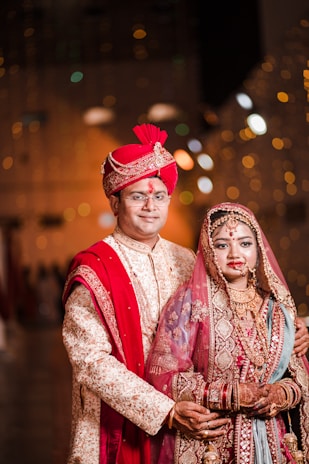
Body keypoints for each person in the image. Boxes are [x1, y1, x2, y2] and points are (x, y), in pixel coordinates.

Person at [62, 124, 229, 464]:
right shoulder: (95, 268)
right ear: (115, 201)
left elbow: (226, 319)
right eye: (137, 196)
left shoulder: (187, 260)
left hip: (189, 417)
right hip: (117, 424)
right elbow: (90, 362)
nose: (150, 206)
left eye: (159, 196)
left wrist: (290, 329)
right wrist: (165, 411)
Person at [146, 202, 309, 464]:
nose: (236, 253)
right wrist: (231, 394)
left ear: (259, 249)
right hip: (210, 444)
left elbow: (299, 379)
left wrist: (282, 394)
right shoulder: (190, 303)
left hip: (272, 443)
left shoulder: (276, 309)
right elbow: (165, 379)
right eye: (222, 245)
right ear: (209, 249)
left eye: (245, 243)